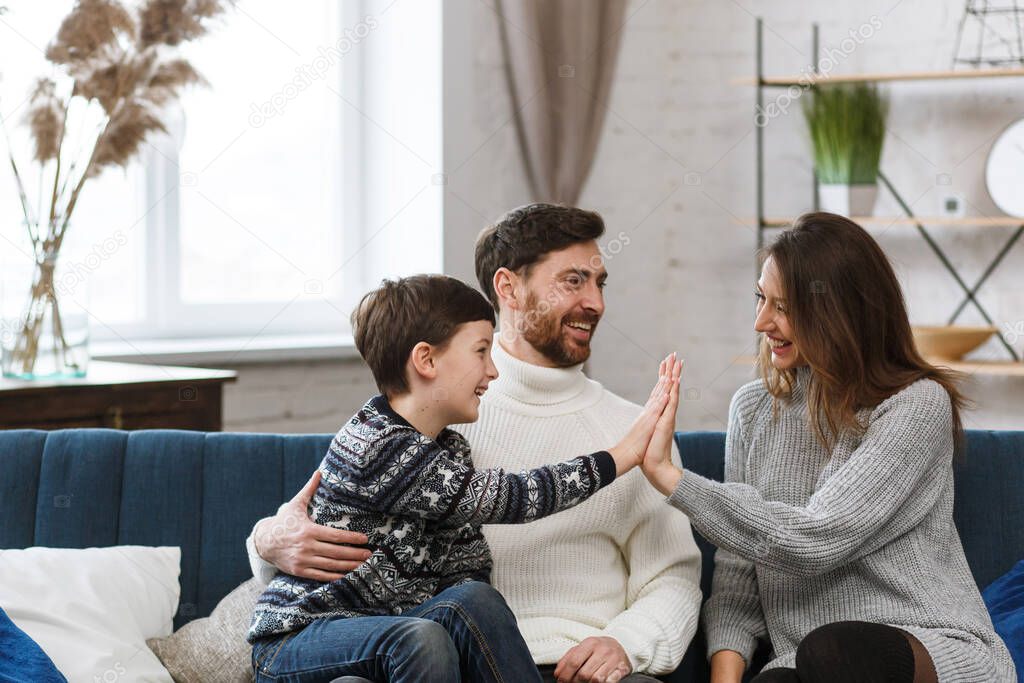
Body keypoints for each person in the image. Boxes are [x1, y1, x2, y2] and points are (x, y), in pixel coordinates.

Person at [248, 204, 703, 682]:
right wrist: (265, 541)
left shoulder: (629, 426)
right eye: (572, 281)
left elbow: (673, 577)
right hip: (433, 654)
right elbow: (314, 517)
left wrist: (627, 643)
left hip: (566, 663)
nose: (596, 303)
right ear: (508, 287)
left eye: (599, 283)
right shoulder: (434, 414)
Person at [638, 212, 1017, 683]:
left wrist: (671, 478)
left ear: (841, 311)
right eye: (760, 298)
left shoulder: (915, 405)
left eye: (784, 307)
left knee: (835, 651)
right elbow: (738, 571)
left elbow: (816, 539)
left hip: (925, 649)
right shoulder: (754, 408)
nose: (761, 323)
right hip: (807, 663)